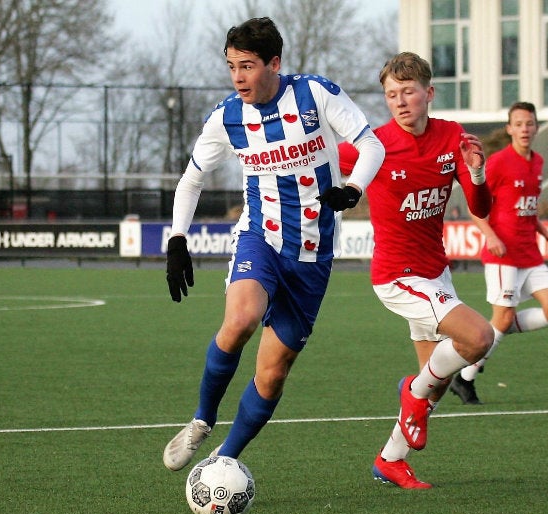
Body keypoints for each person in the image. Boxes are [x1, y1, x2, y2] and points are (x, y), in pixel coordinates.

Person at [162, 17, 385, 473]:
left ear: (274, 63)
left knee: (272, 373)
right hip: (259, 237)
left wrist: (354, 189)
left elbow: (371, 145)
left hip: (312, 254)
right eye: (231, 66)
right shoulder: (227, 116)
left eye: (247, 65)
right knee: (241, 318)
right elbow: (192, 180)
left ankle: (223, 461)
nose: (238, 76)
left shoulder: (314, 95)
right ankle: (202, 420)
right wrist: (177, 239)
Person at [339, 52, 494, 489]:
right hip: (397, 276)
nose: (400, 101)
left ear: (429, 93)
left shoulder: (453, 138)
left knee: (437, 384)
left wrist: (477, 174)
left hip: (435, 272)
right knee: (479, 337)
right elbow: (322, 158)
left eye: (408, 92)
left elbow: (481, 207)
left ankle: (390, 459)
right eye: (391, 95)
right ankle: (410, 393)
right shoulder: (376, 144)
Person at [450, 102, 548, 404]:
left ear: (537, 127)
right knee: (501, 319)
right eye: (519, 123)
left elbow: (526, 208)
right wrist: (489, 235)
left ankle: (499, 330)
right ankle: (465, 378)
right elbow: (478, 205)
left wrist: (544, 232)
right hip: (503, 254)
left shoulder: (538, 161)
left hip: (530, 253)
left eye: (529, 123)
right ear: (509, 129)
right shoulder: (500, 162)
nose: (525, 129)